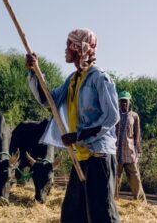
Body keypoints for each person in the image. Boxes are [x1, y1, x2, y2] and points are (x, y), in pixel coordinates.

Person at [26, 28, 120, 223]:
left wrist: (79, 136)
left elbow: (111, 117)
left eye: (69, 44)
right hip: (82, 156)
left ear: (79, 48)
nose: (65, 49)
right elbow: (48, 101)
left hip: (99, 156)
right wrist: (35, 72)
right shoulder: (73, 79)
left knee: (102, 214)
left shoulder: (99, 78)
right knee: (72, 215)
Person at [115, 91, 146, 202]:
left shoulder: (134, 116)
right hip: (116, 153)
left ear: (129, 102)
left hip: (130, 153)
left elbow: (137, 135)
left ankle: (140, 202)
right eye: (121, 101)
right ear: (118, 102)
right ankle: (114, 201)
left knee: (135, 178)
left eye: (125, 101)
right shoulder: (115, 114)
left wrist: (138, 151)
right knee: (115, 178)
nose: (123, 103)